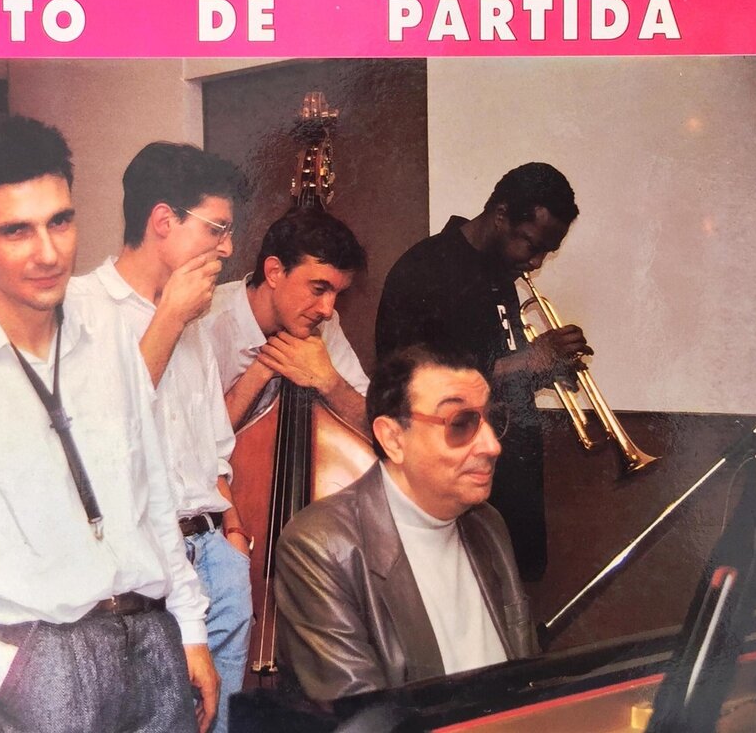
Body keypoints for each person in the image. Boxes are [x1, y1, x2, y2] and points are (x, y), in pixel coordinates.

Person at [0, 116, 218, 733]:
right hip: (37, 659)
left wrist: (188, 628)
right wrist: (9, 672)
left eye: (60, 221)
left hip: (154, 642)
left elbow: (154, 499)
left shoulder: (112, 336)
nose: (48, 253)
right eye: (16, 230)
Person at [71, 141, 252, 733]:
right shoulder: (79, 309)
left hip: (217, 555)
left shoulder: (195, 315)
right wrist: (168, 318)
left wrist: (233, 539)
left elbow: (214, 446)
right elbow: (99, 437)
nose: (227, 248)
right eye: (217, 229)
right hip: (146, 574)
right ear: (163, 220)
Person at [274, 346, 537, 705]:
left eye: (491, 419)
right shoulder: (320, 546)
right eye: (460, 423)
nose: (491, 446)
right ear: (393, 439)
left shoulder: (488, 524)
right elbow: (364, 717)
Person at [374, 162, 590, 581]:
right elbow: (409, 385)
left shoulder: (500, 273)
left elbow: (494, 371)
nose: (536, 262)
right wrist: (529, 360)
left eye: (547, 252)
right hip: (456, 490)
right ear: (501, 215)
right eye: (531, 245)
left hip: (511, 483)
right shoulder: (424, 270)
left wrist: (546, 369)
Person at [204, 208, 370, 436]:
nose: (327, 311)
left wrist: (332, 384)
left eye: (337, 294)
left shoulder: (322, 324)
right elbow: (191, 447)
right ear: (274, 272)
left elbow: (382, 431)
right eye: (318, 289)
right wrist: (262, 369)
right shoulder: (204, 323)